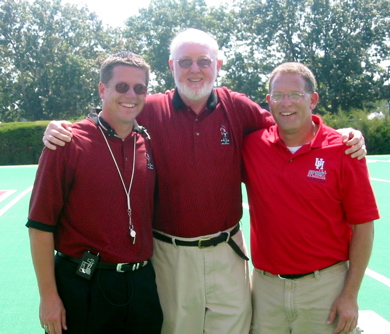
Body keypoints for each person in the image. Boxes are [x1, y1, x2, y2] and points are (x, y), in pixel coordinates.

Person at [41, 29, 366, 334]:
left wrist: (342, 135)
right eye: (185, 62)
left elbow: (291, 124)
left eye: (203, 62)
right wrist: (61, 127)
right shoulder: (149, 109)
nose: (194, 70)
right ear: (172, 66)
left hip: (227, 252)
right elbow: (109, 117)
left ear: (217, 65)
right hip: (169, 255)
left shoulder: (237, 106)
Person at [27, 52, 163, 334]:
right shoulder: (67, 142)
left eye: (140, 88)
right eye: (121, 86)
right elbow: (40, 225)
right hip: (83, 286)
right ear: (103, 89)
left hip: (141, 287)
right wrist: (48, 298)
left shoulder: (149, 144)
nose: (131, 95)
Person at [242, 62, 379, 334]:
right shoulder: (252, 145)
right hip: (266, 289)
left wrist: (350, 295)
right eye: (278, 95)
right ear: (268, 101)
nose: (286, 102)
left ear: (313, 100)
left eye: (296, 94)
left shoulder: (344, 149)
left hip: (324, 289)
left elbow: (363, 225)